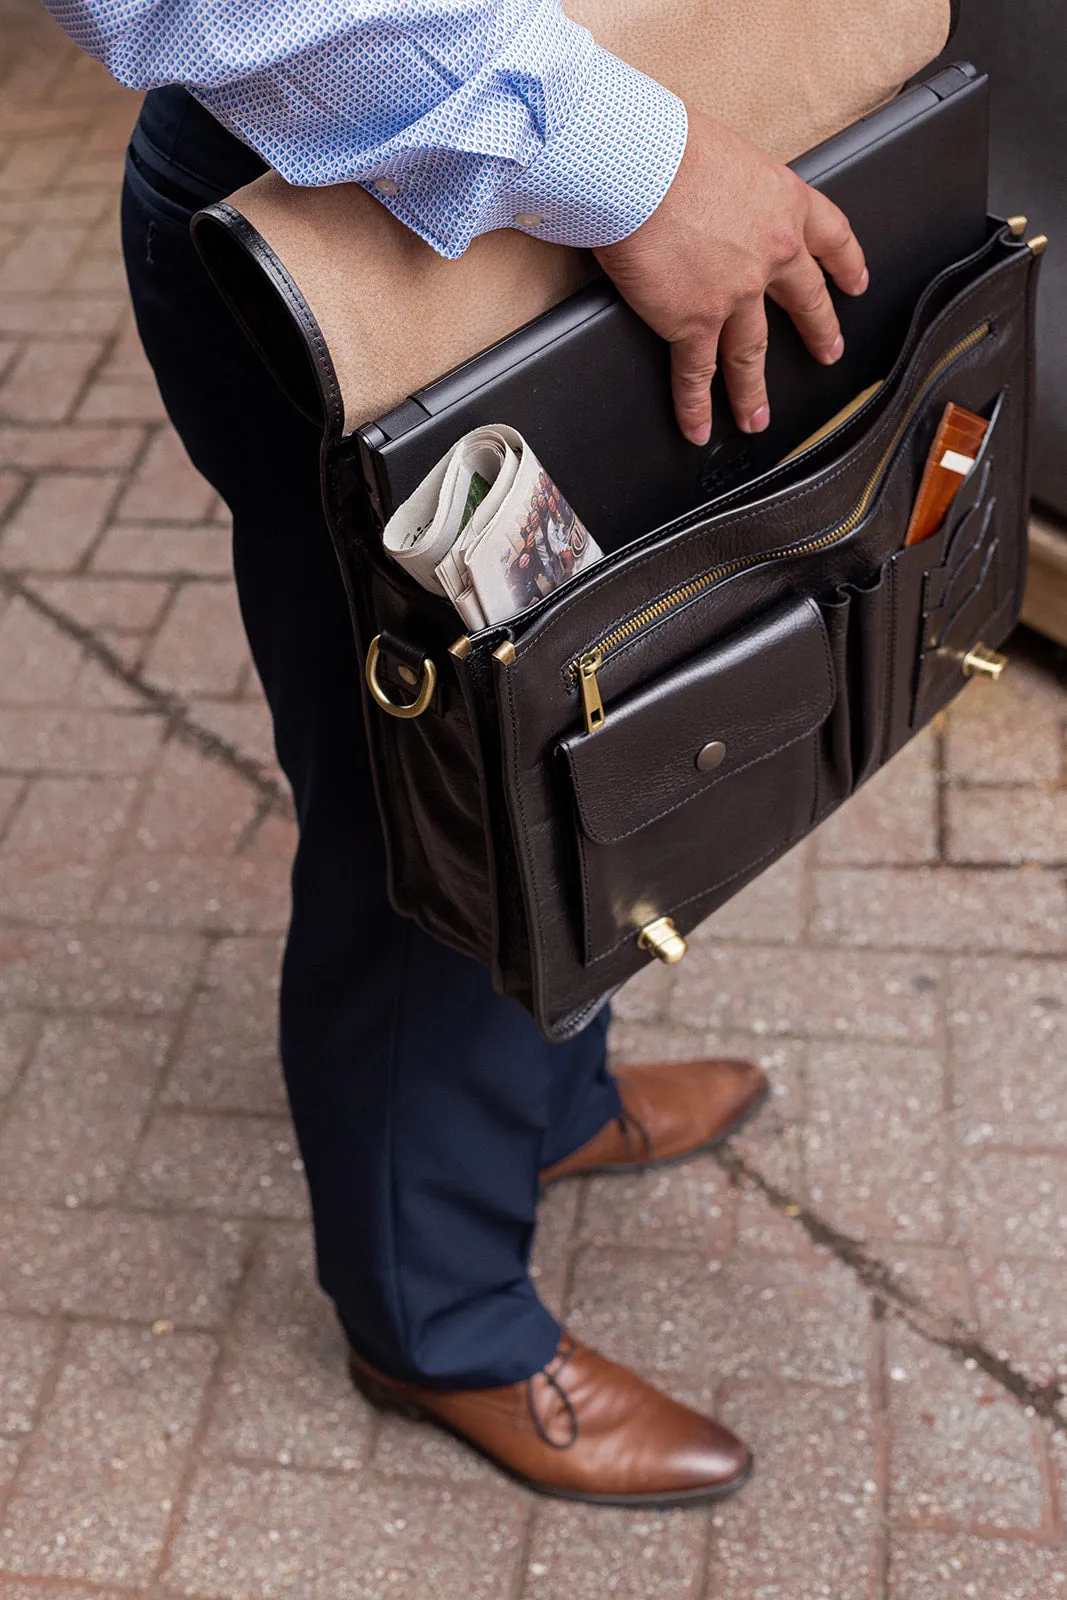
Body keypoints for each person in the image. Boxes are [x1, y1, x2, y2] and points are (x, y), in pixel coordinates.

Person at [43, 0, 867, 1506]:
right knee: (421, 805)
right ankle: (437, 1322)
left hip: (607, 141)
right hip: (357, 229)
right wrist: (644, 167)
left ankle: (543, 1106)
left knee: (597, 699)